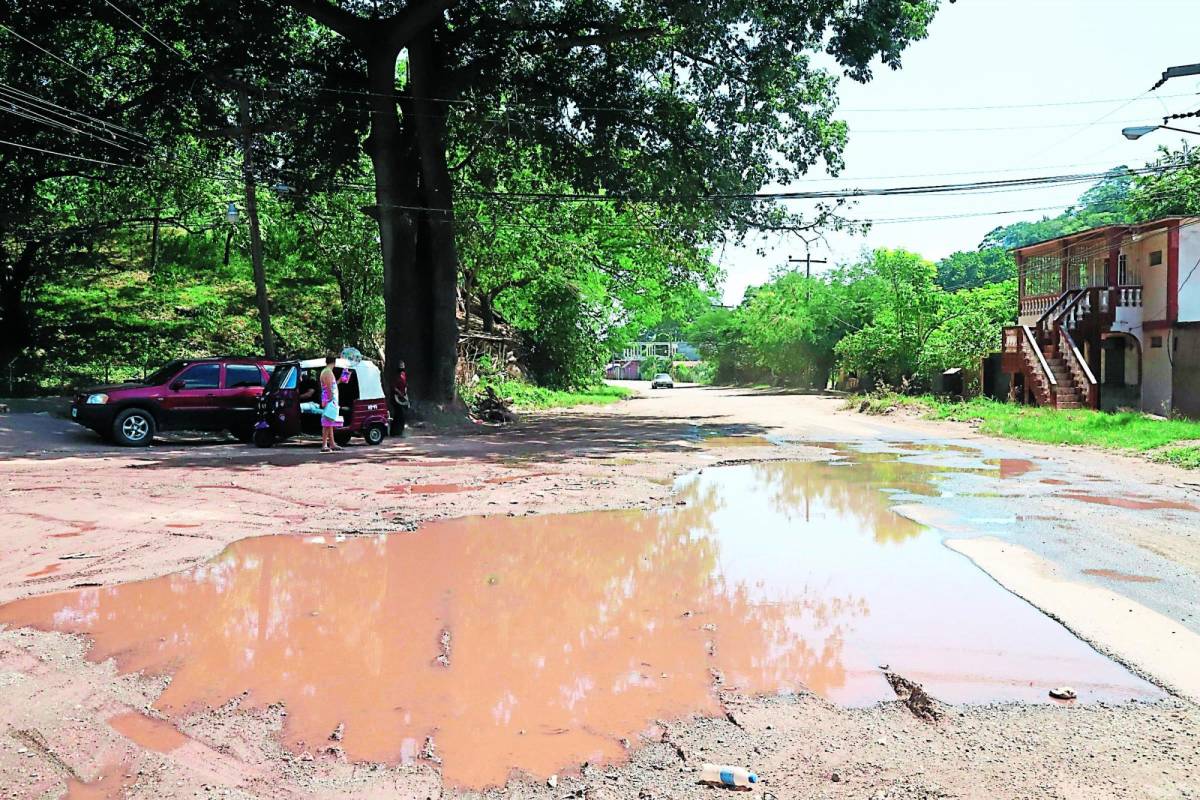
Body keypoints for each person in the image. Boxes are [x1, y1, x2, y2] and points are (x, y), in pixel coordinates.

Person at [319, 355, 343, 452]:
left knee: (330, 423)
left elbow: (332, 386)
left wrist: (340, 381)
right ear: (334, 362)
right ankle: (324, 445)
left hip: (330, 400)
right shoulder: (328, 372)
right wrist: (330, 400)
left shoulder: (327, 371)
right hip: (330, 401)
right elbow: (328, 388)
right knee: (327, 423)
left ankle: (332, 443)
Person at [390, 360, 409, 437]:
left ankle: (399, 432)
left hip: (402, 397)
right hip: (396, 397)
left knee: (401, 415)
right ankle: (394, 432)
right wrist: (399, 393)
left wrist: (405, 392)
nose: (402, 367)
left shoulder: (404, 374)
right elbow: (394, 387)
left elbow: (405, 385)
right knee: (399, 414)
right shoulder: (396, 376)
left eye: (403, 366)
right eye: (401, 366)